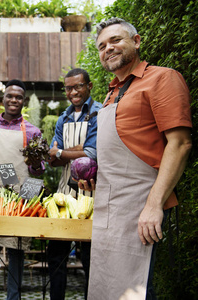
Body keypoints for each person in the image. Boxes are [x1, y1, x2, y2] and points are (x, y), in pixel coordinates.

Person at [86, 18, 192, 299]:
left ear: (137, 41)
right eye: (101, 46)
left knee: (137, 287)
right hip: (110, 207)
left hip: (141, 205)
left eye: (115, 40)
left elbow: (180, 144)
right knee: (111, 285)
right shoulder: (110, 93)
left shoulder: (162, 78)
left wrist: (154, 206)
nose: (108, 48)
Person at [0, 79, 44, 300]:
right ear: (3, 99)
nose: (14, 100)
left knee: (17, 252)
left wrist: (35, 163)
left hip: (22, 195)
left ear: (23, 101)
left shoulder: (33, 131)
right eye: (10, 96)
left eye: (19, 97)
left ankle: (14, 298)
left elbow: (38, 172)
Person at [46, 68, 101, 300]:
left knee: (90, 257)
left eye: (78, 86)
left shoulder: (100, 113)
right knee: (56, 255)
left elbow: (92, 153)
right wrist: (69, 152)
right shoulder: (63, 118)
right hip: (63, 193)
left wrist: (60, 151)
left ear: (88, 86)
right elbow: (52, 160)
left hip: (91, 193)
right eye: (69, 88)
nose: (73, 92)